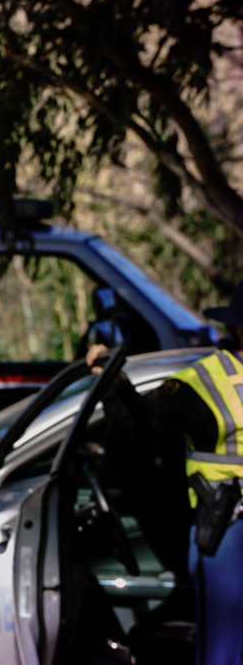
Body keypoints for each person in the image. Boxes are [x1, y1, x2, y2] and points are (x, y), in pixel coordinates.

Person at [87, 279, 243, 665]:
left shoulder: (206, 379)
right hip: (228, 527)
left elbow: (139, 433)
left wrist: (114, 384)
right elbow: (141, 430)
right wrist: (115, 384)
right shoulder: (204, 380)